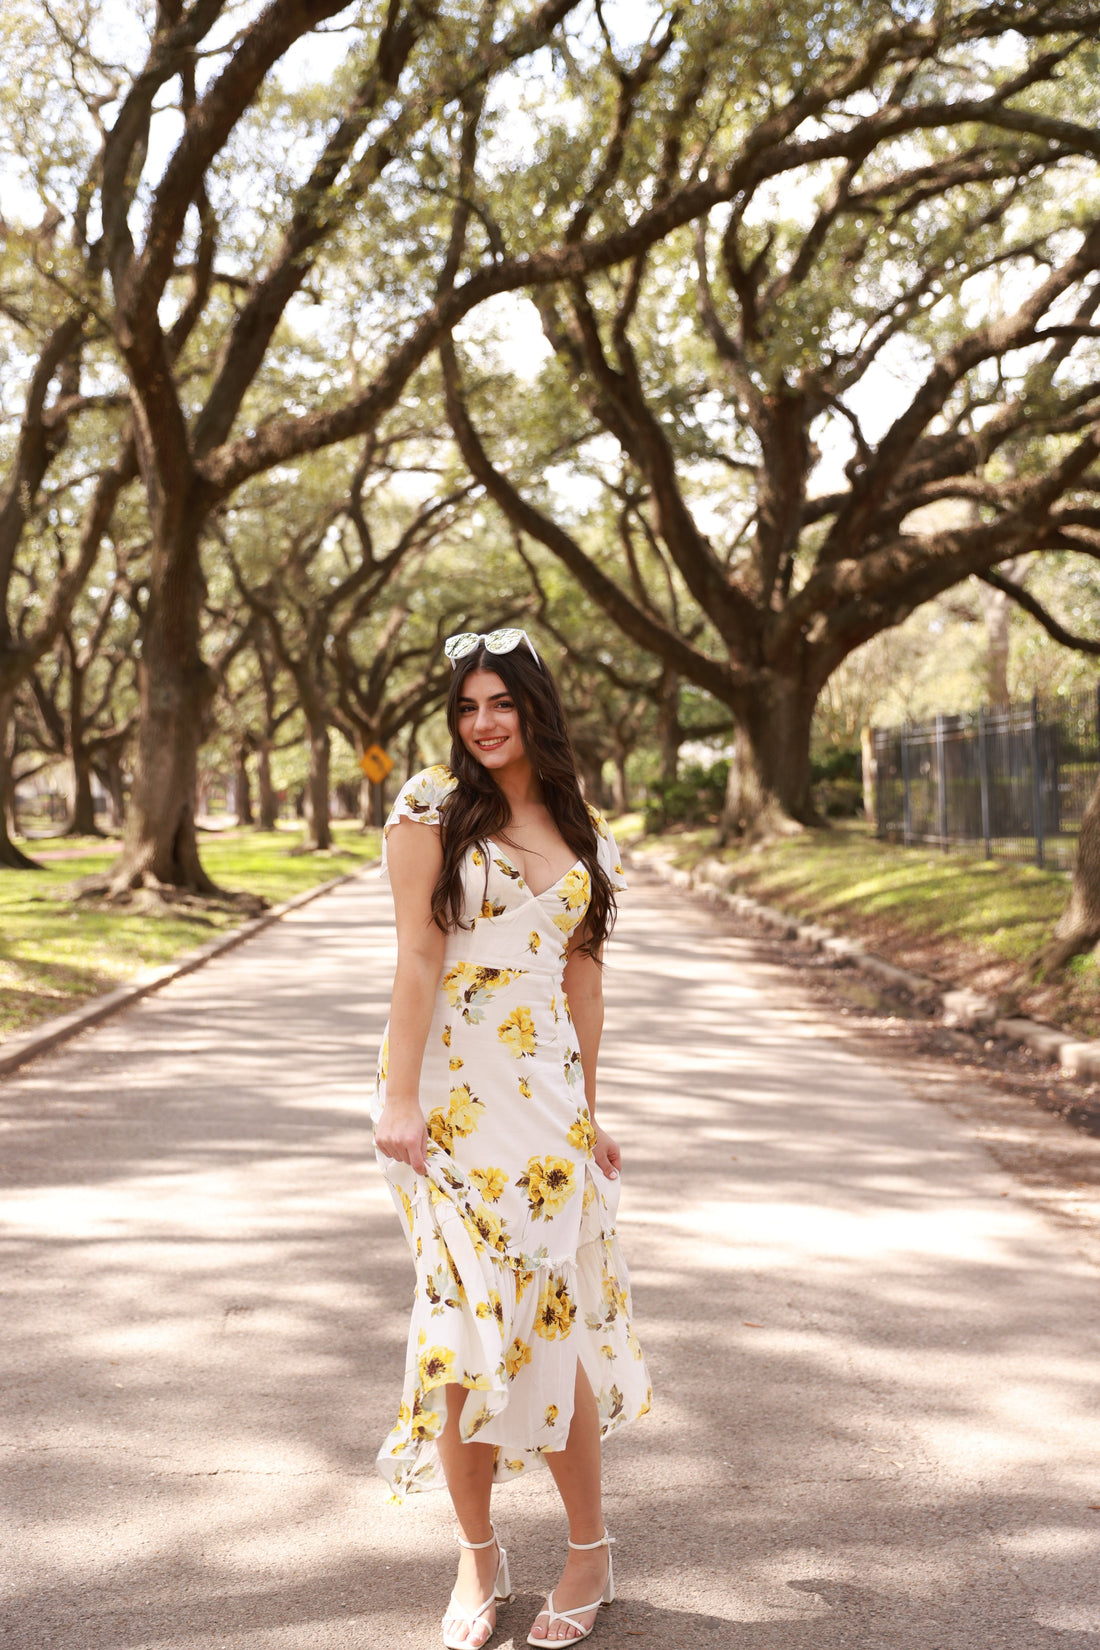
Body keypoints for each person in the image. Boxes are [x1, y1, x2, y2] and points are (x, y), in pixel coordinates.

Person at [371, 628, 651, 1648]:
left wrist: (586, 1115)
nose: (483, 724)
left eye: (501, 704)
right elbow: (414, 960)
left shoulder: (585, 834)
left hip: (542, 1108)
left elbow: (582, 985)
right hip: (447, 1102)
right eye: (466, 707)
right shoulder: (429, 815)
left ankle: (587, 1551)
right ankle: (476, 1553)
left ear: (536, 709)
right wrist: (399, 1101)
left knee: (555, 1321)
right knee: (461, 1334)